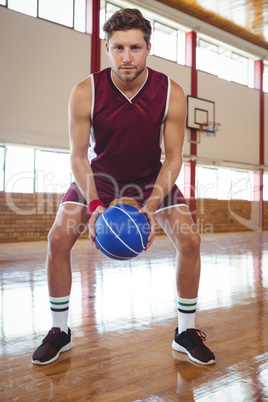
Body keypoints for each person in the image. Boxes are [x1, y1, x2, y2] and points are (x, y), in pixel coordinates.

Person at [32, 8, 215, 366]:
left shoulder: (170, 92)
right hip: (100, 175)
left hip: (150, 176)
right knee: (57, 239)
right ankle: (60, 331)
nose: (126, 57)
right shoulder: (85, 91)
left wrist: (153, 203)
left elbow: (174, 158)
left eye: (134, 48)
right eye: (118, 48)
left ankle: (186, 332)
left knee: (191, 239)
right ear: (106, 48)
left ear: (148, 49)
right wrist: (97, 203)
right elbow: (78, 157)